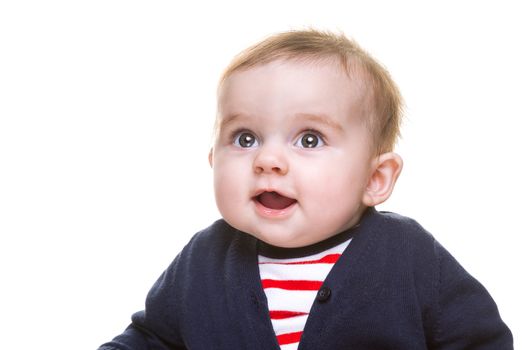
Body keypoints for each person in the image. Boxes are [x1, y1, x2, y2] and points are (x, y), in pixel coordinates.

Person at [99, 29, 513, 349]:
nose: (268, 160)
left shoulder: (410, 257)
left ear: (375, 179)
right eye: (245, 138)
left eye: (309, 139)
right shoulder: (203, 259)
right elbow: (151, 339)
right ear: (213, 160)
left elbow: (480, 340)